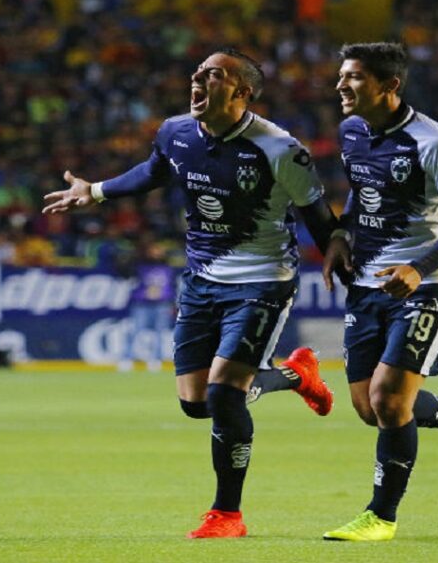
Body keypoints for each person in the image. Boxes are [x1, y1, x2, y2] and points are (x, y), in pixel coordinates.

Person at [43, 48, 339, 539]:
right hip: (201, 279)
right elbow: (154, 171)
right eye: (198, 72)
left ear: (241, 92)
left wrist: (344, 262)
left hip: (262, 279)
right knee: (197, 403)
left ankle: (227, 514)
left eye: (213, 74)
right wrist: (94, 191)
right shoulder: (175, 131)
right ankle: (295, 374)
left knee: (224, 393)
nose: (198, 79)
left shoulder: (280, 149)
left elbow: (318, 215)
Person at [320, 41, 438, 541]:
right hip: (367, 283)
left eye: (354, 77)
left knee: (388, 399)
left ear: (389, 85)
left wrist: (420, 269)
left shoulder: (437, 144)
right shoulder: (352, 131)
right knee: (370, 408)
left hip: (426, 286)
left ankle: (381, 517)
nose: (341, 85)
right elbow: (364, 191)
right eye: (342, 75)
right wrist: (340, 235)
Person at [117, 238, 176, 372]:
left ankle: (155, 359)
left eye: (159, 250)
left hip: (162, 303)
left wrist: (173, 303)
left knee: (160, 333)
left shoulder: (167, 266)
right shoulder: (139, 264)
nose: (157, 252)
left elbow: (172, 286)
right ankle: (127, 358)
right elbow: (125, 273)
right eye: (154, 250)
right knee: (135, 331)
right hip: (142, 303)